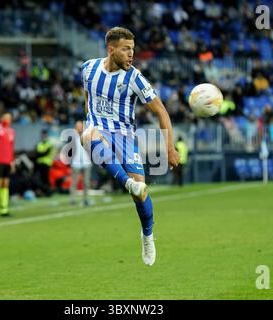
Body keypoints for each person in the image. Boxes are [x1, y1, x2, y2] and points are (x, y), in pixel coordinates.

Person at [80, 27, 180, 266]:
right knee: (86, 135)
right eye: (126, 49)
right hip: (99, 130)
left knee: (141, 193)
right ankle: (127, 183)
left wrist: (170, 148)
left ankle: (147, 235)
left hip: (125, 137)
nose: (131, 54)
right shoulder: (88, 68)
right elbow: (87, 96)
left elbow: (161, 111)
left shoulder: (134, 78)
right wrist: (89, 118)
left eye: (133, 50)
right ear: (111, 49)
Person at [69, 120, 92, 206]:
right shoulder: (72, 137)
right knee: (74, 182)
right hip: (76, 162)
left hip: (86, 161)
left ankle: (86, 199)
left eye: (80, 126)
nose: (79, 128)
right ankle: (73, 199)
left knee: (86, 182)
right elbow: (69, 150)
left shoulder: (87, 136)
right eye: (77, 126)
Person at [34, 129, 54, 197]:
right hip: (39, 164)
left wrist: (40, 154)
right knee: (40, 179)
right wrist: (40, 154)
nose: (43, 136)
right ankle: (42, 192)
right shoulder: (39, 144)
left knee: (46, 179)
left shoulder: (49, 144)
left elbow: (45, 153)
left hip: (46, 164)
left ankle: (48, 192)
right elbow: (36, 153)